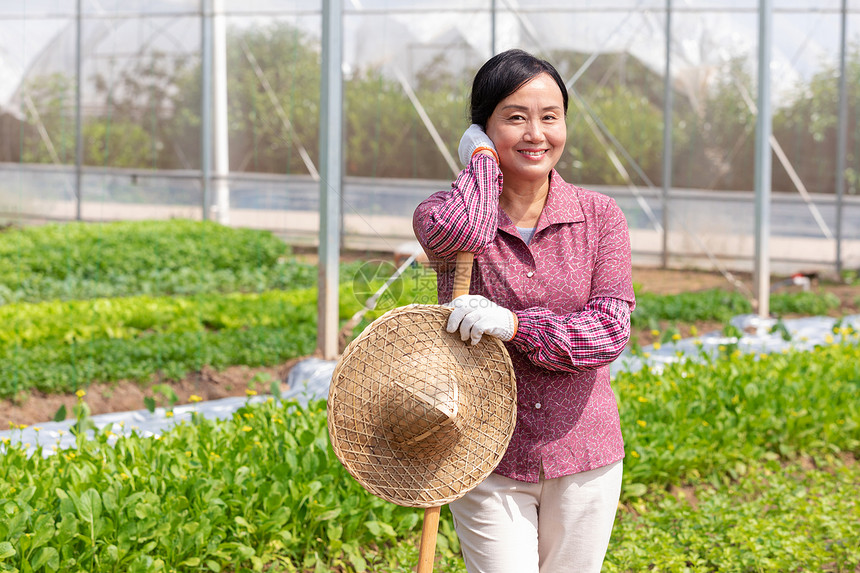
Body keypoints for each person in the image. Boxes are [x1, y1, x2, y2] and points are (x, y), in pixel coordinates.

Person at [412, 49, 636, 573]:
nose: (537, 133)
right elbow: (461, 232)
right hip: (487, 454)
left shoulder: (600, 217)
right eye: (516, 117)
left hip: (583, 455)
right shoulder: (445, 215)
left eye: (550, 117)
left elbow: (608, 333)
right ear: (483, 130)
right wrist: (482, 163)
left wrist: (513, 325)